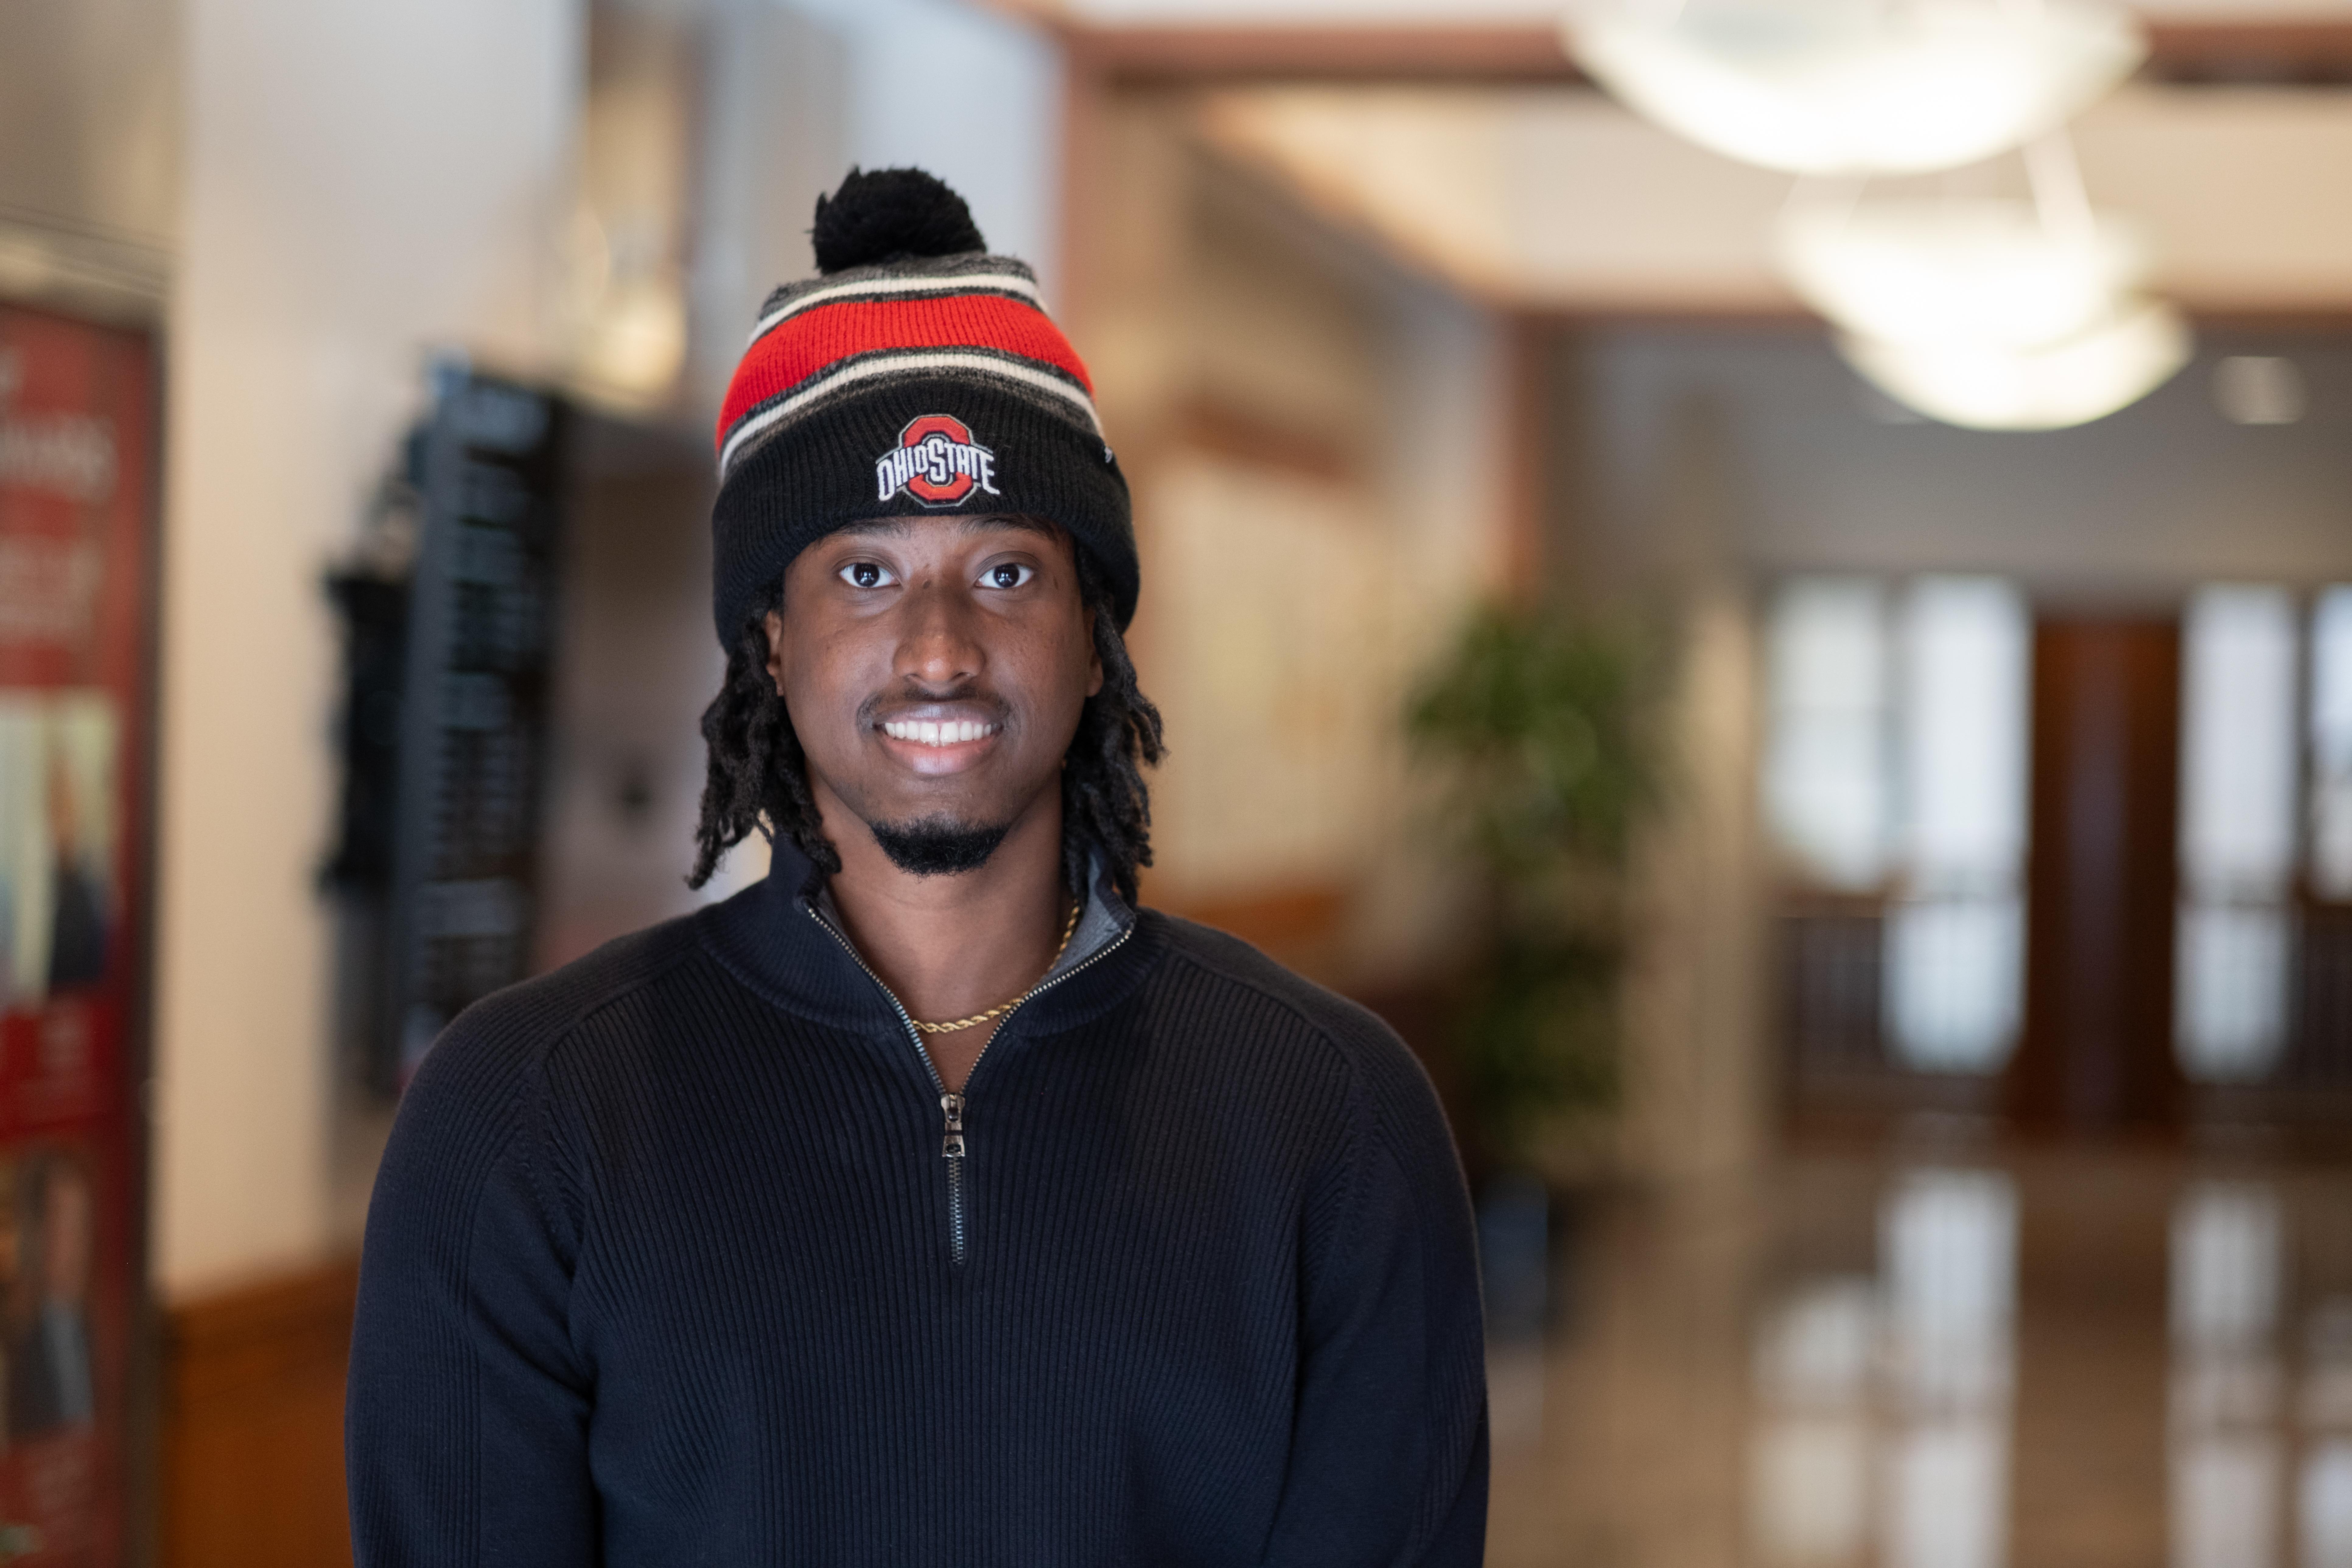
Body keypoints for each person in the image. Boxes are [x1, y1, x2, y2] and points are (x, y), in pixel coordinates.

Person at [348, 167, 1486, 1566]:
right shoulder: (521, 1121)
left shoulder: (1335, 1122)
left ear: (1093, 636)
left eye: (1006, 572)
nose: (940, 649)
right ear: (771, 636)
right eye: (866, 575)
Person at [9, 1157, 95, 1441]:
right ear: (38, 1236)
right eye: (66, 1227)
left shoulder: (103, 1331)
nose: (79, 1244)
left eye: (83, 1225)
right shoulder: (16, 1342)